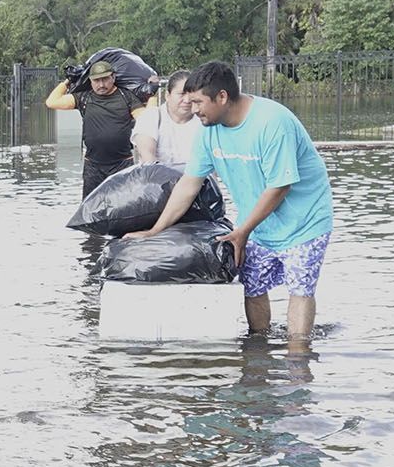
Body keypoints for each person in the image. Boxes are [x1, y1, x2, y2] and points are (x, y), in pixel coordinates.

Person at [125, 61, 334, 350]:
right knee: (253, 286)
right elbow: (189, 183)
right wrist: (155, 230)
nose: (192, 108)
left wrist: (242, 231)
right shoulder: (208, 131)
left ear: (222, 97)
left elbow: (279, 186)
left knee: (299, 289)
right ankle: (259, 353)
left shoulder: (272, 123)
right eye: (188, 100)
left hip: (305, 221)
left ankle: (298, 362)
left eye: (198, 102)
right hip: (258, 223)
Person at [46, 59, 150, 197]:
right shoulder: (84, 98)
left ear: (113, 77)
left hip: (122, 164)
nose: (101, 84)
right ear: (90, 81)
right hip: (93, 167)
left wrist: (152, 94)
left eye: (105, 79)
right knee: (90, 210)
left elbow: (147, 120)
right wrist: (68, 81)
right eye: (96, 80)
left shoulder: (126, 97)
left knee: (124, 208)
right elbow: (52, 102)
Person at [132, 69, 200, 171]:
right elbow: (148, 158)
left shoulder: (204, 121)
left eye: (191, 95)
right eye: (181, 94)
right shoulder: (151, 117)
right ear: (167, 95)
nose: (187, 100)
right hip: (158, 181)